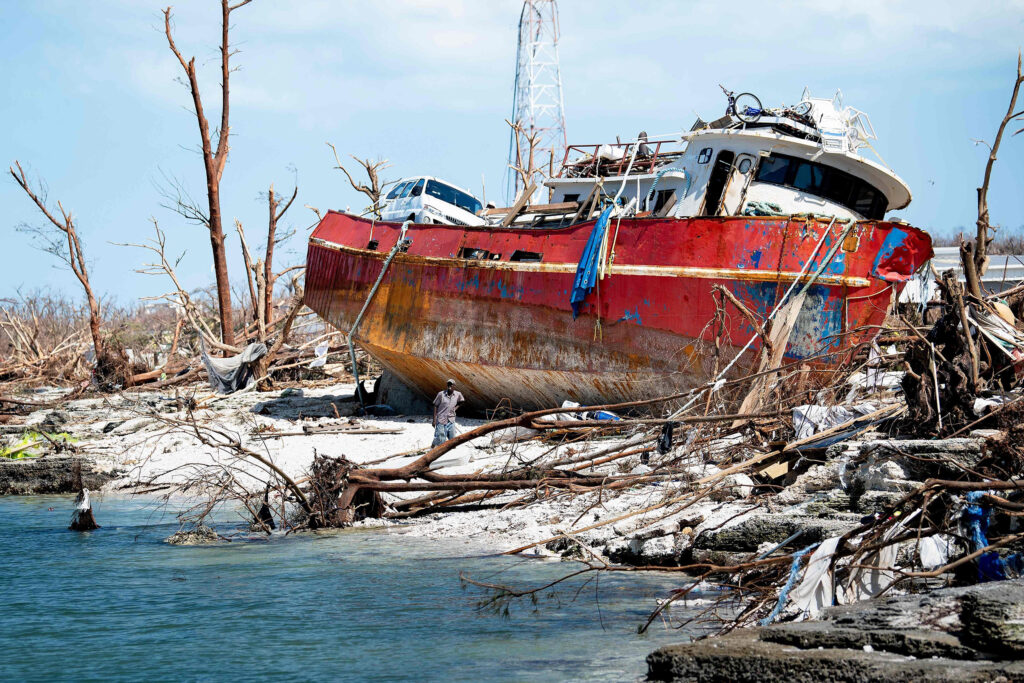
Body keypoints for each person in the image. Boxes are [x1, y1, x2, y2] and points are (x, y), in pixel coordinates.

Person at [432, 379, 465, 447]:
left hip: (451, 419)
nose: (449, 386)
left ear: (454, 386)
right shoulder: (441, 394)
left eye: (451, 384)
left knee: (452, 440)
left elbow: (462, 401)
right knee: (441, 439)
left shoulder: (458, 394)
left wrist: (455, 408)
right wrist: (434, 420)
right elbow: (435, 405)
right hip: (441, 419)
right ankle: (434, 445)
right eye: (448, 384)